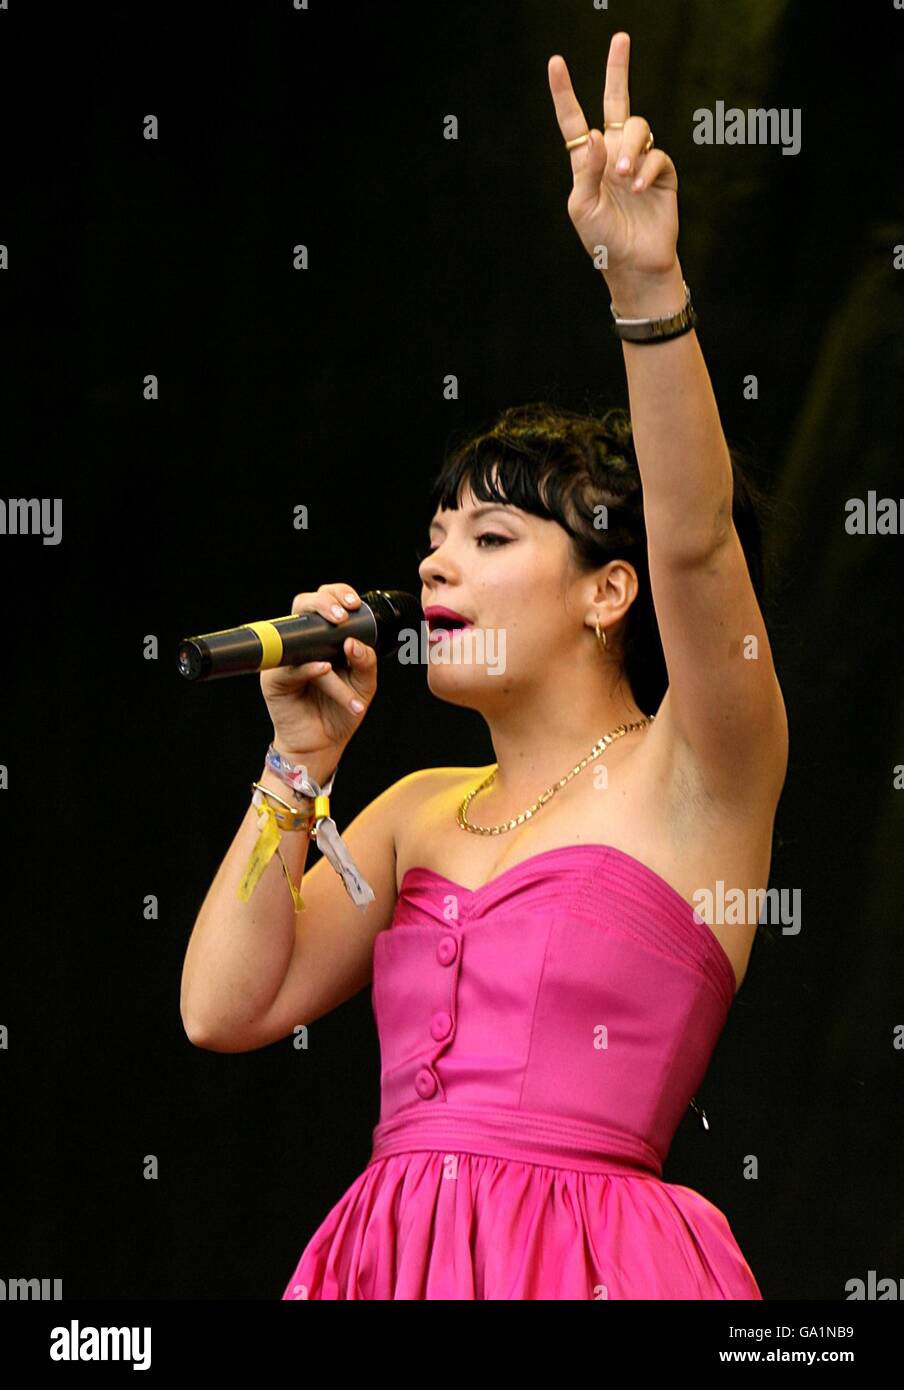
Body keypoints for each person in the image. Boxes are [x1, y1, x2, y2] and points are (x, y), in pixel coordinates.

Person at [181, 31, 788, 1299]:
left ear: (606, 590)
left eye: (493, 535)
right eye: (433, 540)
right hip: (387, 1259)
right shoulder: (409, 813)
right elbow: (224, 1010)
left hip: (595, 1262)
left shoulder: (700, 771)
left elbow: (692, 538)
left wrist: (643, 287)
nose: (438, 568)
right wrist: (296, 764)